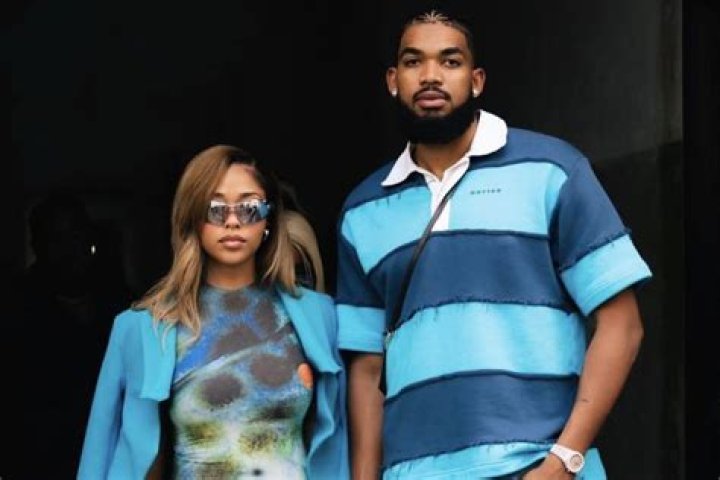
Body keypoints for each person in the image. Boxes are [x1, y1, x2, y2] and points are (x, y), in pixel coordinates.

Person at [336, 9, 651, 480]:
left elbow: (622, 325)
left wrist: (564, 461)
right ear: (392, 81)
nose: (431, 76)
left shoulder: (553, 169)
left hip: (535, 465)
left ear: (477, 80)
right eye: (413, 61)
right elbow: (365, 369)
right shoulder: (362, 211)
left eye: (450, 61)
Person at [78, 145, 348, 479]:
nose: (233, 221)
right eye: (215, 209)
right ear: (193, 218)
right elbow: (100, 454)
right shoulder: (141, 329)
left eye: (249, 208)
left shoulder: (319, 316)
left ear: (268, 219)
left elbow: (340, 445)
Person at [20, 191, 132, 479]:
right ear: (38, 246)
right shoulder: (18, 314)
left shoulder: (120, 304)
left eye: (76, 235)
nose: (70, 248)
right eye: (56, 239)